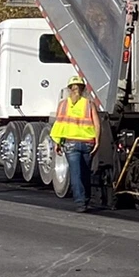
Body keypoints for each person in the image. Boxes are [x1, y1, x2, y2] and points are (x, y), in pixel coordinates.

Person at [50, 74, 103, 212]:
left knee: (75, 173)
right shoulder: (89, 104)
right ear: (83, 89)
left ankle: (81, 203)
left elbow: (59, 124)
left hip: (70, 144)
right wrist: (97, 141)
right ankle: (86, 199)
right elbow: (97, 124)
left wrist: (57, 142)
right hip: (87, 143)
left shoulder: (63, 105)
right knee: (85, 172)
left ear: (69, 89)